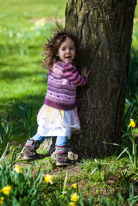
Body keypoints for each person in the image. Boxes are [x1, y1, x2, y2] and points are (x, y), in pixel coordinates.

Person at [23, 30, 89, 166]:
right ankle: (61, 156)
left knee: (44, 128)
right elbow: (79, 82)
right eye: (63, 49)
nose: (68, 52)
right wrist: (84, 77)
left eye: (71, 48)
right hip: (62, 108)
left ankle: (29, 149)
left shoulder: (54, 64)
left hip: (50, 106)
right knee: (62, 130)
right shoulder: (68, 68)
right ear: (57, 52)